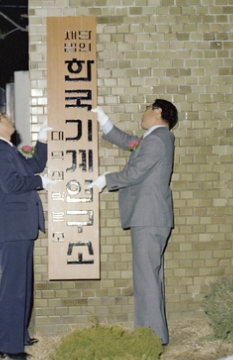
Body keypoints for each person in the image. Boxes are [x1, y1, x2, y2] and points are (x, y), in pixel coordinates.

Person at [88, 99, 178, 346]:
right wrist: (105, 123)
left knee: (146, 278)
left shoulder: (157, 140)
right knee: (149, 276)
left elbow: (135, 173)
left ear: (158, 112)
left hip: (149, 218)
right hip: (151, 218)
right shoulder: (156, 138)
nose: (143, 113)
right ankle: (152, 334)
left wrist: (104, 179)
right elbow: (132, 144)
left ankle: (150, 337)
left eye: (147, 109)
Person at [0, 108, 54, 360]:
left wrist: (42, 139)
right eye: (5, 116)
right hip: (12, 227)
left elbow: (34, 165)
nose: (10, 118)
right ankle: (9, 348)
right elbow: (11, 184)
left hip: (19, 226)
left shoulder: (7, 149)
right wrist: (41, 182)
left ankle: (18, 335)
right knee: (13, 289)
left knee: (23, 285)